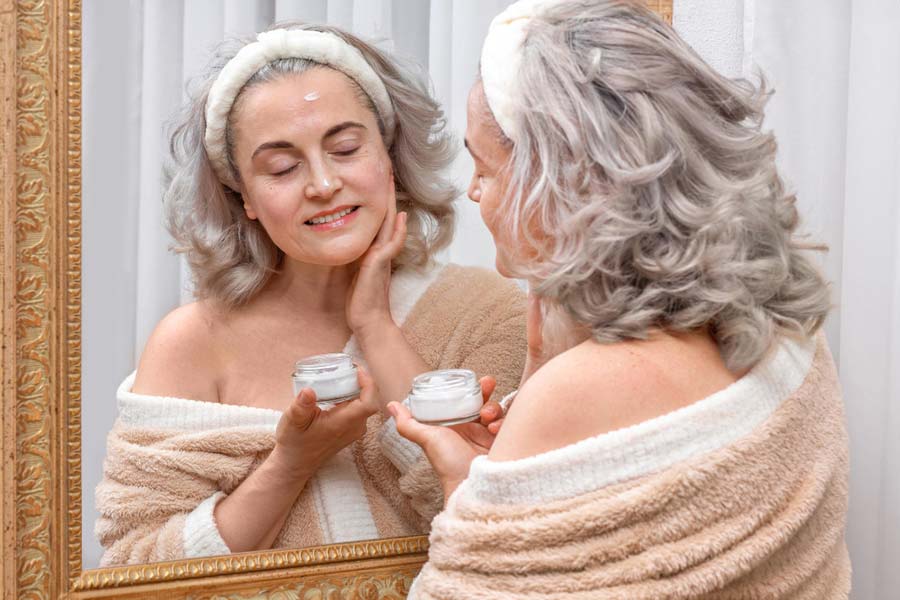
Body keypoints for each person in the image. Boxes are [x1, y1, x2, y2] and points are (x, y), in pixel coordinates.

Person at [392, 1, 850, 597]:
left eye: (486, 168)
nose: (474, 191)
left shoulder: (583, 385)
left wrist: (469, 491)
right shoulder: (784, 326)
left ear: (566, 181)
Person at [94, 22, 525, 567]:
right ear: (243, 195)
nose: (322, 183)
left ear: (389, 157)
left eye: (345, 148)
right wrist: (290, 464)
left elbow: (505, 529)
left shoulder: (485, 314)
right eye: (282, 166)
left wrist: (376, 327)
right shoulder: (192, 343)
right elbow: (136, 569)